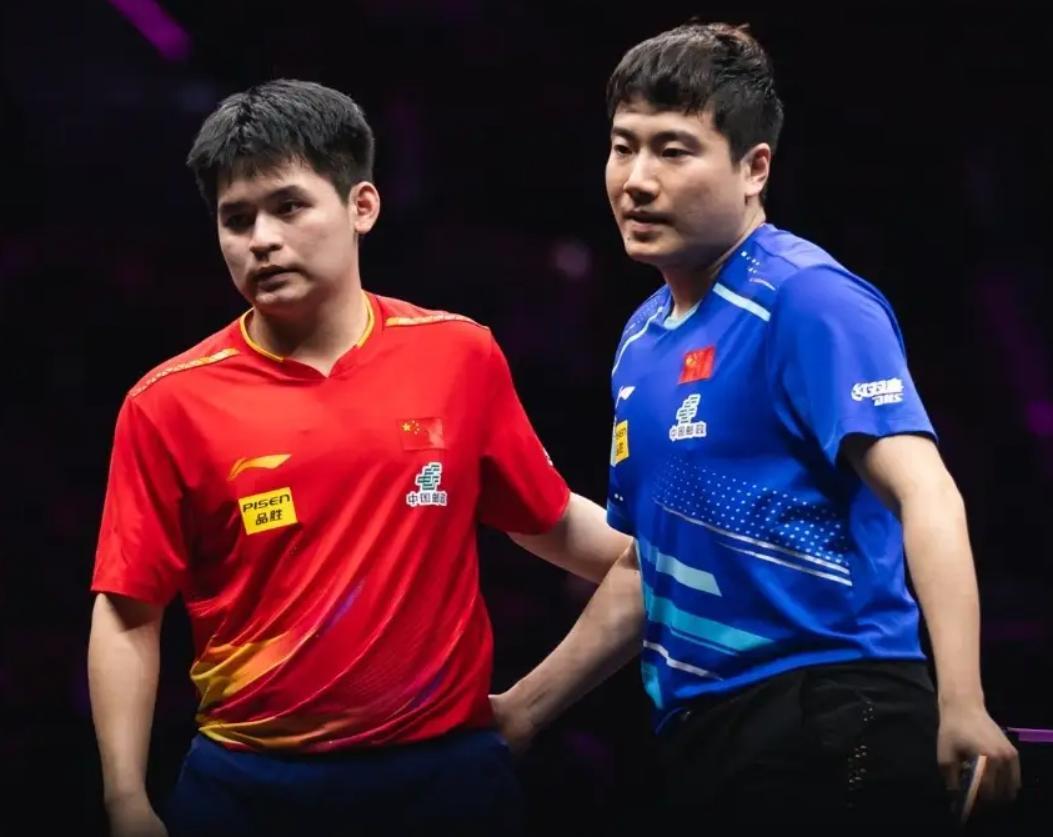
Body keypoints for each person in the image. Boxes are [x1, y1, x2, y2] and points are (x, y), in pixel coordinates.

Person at [491, 21, 1021, 829]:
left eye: (673, 151)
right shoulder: (641, 340)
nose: (636, 180)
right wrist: (524, 709)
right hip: (704, 736)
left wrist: (963, 700)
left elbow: (926, 494)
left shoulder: (806, 299)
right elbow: (651, 565)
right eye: (623, 147)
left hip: (837, 713)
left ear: (753, 168)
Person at [87, 79, 629, 837]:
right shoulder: (166, 402)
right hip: (248, 787)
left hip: (446, 781)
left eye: (288, 206)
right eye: (236, 219)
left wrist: (671, 562)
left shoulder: (458, 354)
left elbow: (551, 520)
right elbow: (126, 612)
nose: (261, 239)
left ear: (361, 206)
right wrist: (124, 800)